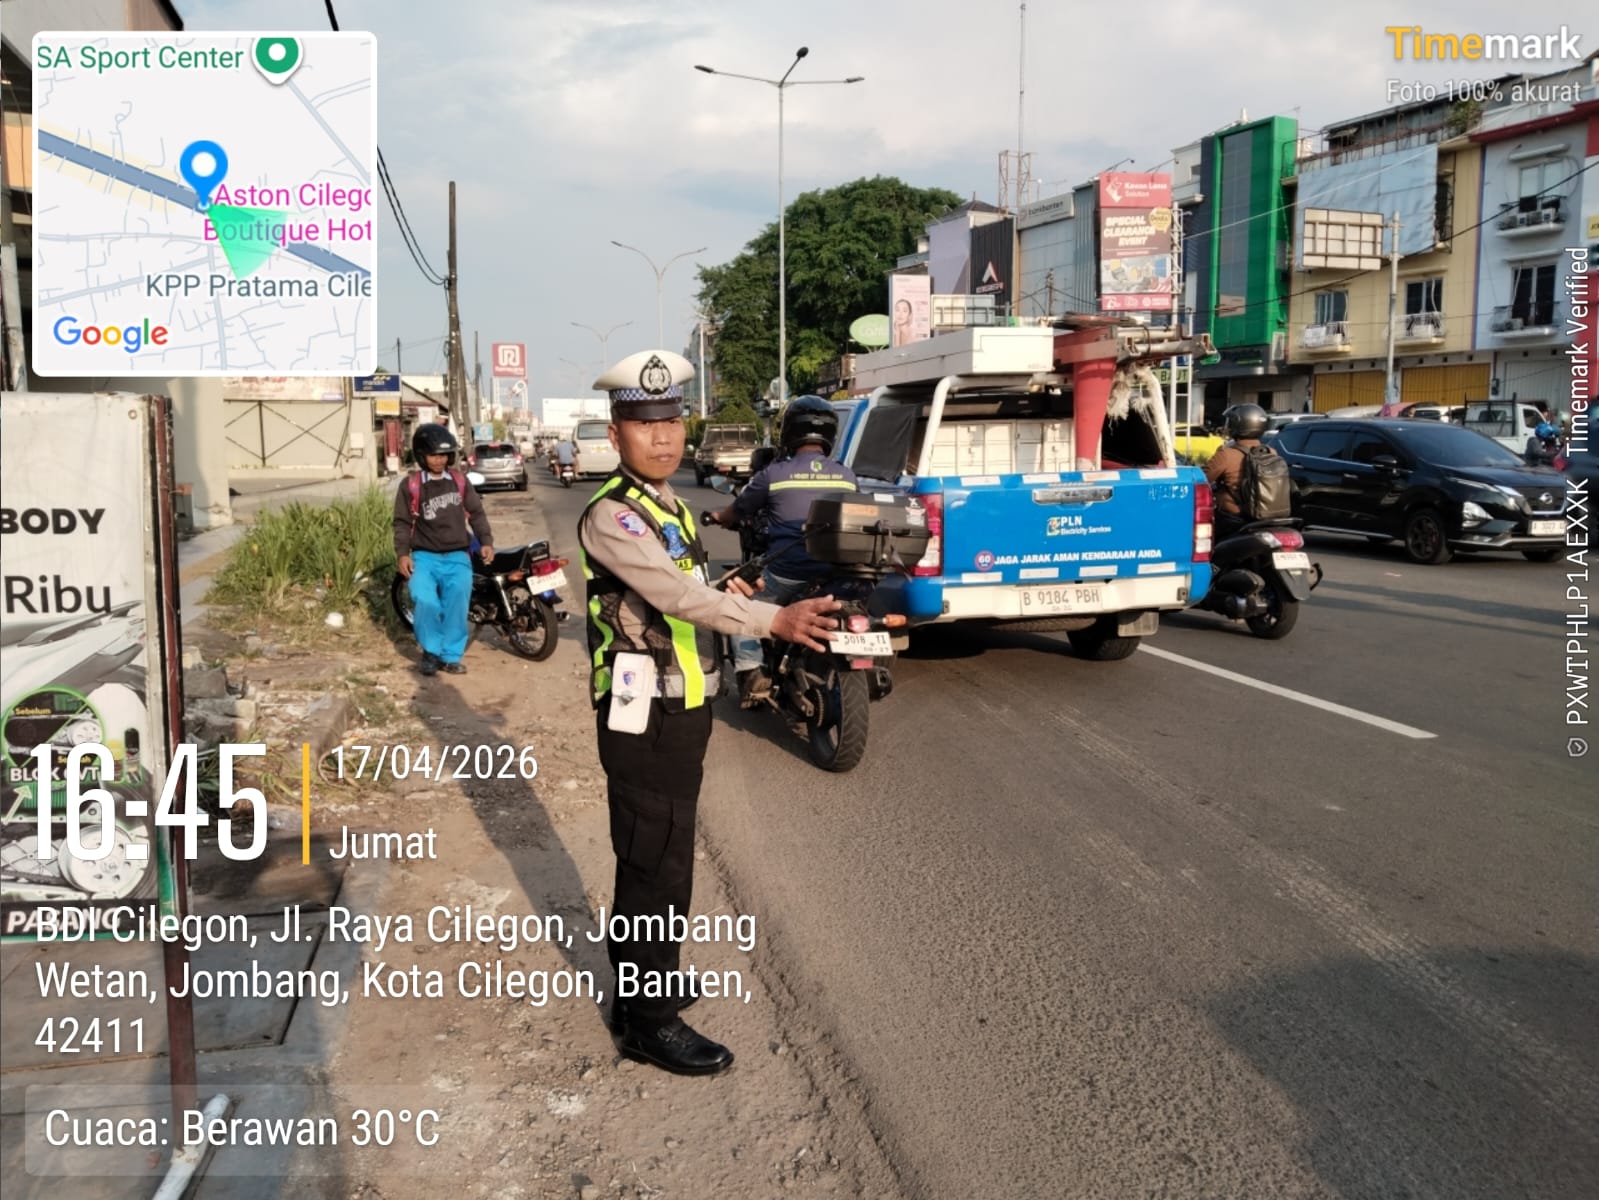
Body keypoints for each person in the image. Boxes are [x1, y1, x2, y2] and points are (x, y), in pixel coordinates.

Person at [577, 349, 842, 1077]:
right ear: (616, 433)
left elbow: (690, 591)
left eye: (671, 421)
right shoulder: (614, 514)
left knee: (661, 856)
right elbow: (676, 597)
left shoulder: (668, 506)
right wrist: (771, 619)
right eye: (644, 424)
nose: (662, 436)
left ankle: (646, 986)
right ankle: (648, 1023)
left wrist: (735, 589)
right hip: (645, 712)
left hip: (682, 704)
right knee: (654, 867)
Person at [706, 395, 858, 706]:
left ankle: (751, 670)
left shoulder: (773, 475)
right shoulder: (847, 476)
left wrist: (718, 517)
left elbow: (739, 510)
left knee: (738, 600)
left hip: (787, 572)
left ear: (789, 432)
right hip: (835, 575)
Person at [394, 424, 495, 675]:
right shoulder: (411, 485)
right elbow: (402, 522)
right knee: (425, 600)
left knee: (456, 605)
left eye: (444, 455)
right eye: (433, 455)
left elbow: (476, 513)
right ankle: (431, 651)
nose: (439, 460)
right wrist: (402, 554)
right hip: (424, 557)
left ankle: (450, 656)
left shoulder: (459, 481)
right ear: (421, 456)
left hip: (458, 556)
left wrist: (486, 541)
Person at [1203, 403, 1272, 539]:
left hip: (1234, 521)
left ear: (1239, 425)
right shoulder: (1271, 452)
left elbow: (1201, 478)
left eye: (1231, 423)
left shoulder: (1226, 454)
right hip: (1269, 519)